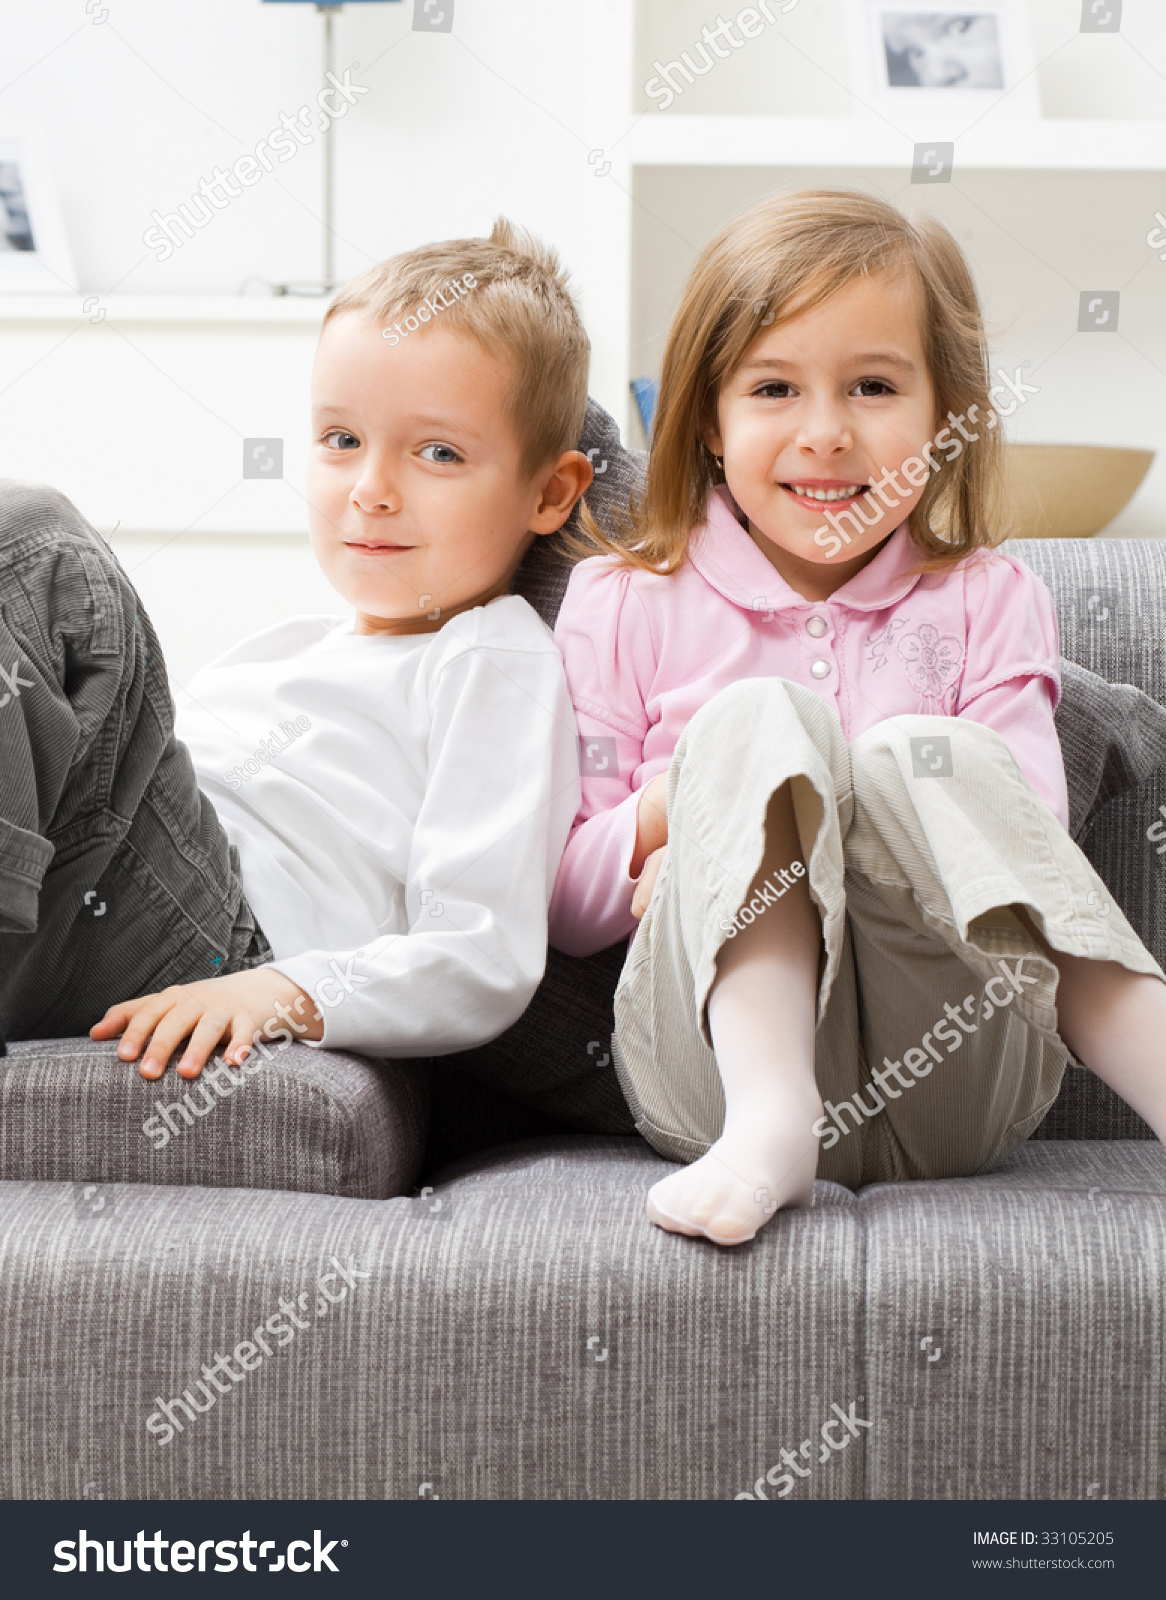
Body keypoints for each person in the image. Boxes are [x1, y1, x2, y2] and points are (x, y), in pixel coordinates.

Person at [549, 189, 1166, 1247]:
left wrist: (852, 789)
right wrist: (685, 813)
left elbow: (1021, 851)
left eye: (874, 386)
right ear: (706, 418)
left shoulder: (986, 596)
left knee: (918, 754)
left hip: (958, 1079)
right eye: (774, 387)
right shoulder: (624, 601)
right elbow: (563, 900)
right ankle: (773, 1119)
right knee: (753, 718)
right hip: (709, 1090)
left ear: (943, 413)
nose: (825, 433)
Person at [0, 220, 590, 1082]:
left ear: (550, 491)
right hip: (69, 903)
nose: (371, 491)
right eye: (342, 441)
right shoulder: (273, 650)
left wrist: (282, 991)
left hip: (225, 936)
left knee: (38, 549)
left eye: (437, 452)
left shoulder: (491, 656)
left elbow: (481, 952)